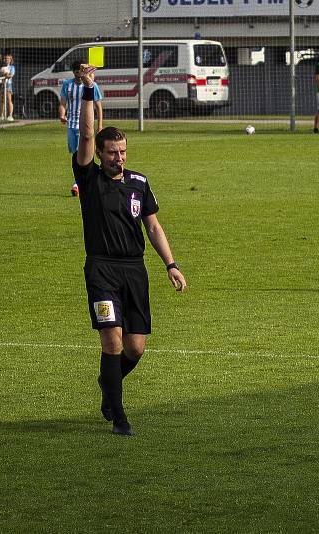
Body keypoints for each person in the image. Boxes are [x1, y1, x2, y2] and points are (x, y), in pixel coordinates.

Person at [73, 64, 187, 436]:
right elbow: (88, 133)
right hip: (102, 270)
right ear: (101, 154)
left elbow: (152, 225)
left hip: (134, 270)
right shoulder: (88, 178)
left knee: (135, 349)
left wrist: (170, 264)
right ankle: (118, 415)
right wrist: (89, 90)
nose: (118, 158)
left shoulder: (139, 182)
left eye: (122, 151)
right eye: (112, 153)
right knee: (112, 339)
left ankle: (109, 383)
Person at [60, 61, 104, 197]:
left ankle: (77, 184)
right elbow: (63, 103)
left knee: (82, 153)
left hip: (85, 126)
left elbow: (98, 106)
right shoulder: (68, 85)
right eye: (78, 70)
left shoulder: (92, 85)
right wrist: (62, 114)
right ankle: (82, 181)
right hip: (71, 125)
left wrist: (100, 125)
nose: (80, 72)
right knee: (75, 154)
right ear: (74, 72)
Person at [0, 54, 15, 121]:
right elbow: (0, 75)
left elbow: (11, 75)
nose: (7, 59)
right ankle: (1, 115)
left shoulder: (12, 67)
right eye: (6, 58)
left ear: (10, 60)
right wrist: (4, 74)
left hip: (8, 85)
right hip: (2, 85)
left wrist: (6, 74)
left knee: (9, 100)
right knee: (2, 100)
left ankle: (10, 116)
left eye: (8, 58)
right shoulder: (2, 67)